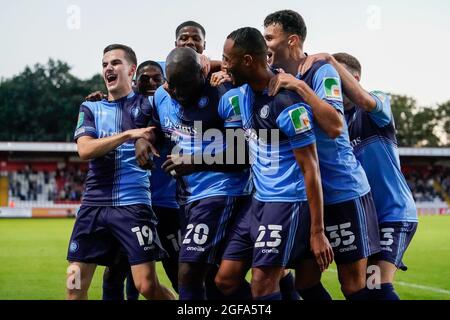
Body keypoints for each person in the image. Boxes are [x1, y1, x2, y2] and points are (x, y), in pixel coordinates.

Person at [262, 10, 381, 300]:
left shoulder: (320, 72)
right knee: (304, 282)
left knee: (352, 284)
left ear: (292, 40)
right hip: (308, 198)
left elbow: (335, 126)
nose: (265, 45)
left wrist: (300, 86)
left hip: (342, 191)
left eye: (269, 38)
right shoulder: (274, 76)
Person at [214, 27, 333, 301]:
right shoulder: (242, 94)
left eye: (227, 59)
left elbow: (310, 168)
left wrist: (317, 232)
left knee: (262, 283)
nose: (224, 65)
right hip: (258, 201)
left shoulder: (287, 102)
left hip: (287, 202)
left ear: (247, 61)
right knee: (226, 279)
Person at [136, 47, 252, 300]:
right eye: (172, 85)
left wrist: (195, 163)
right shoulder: (162, 95)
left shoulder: (225, 95)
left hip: (222, 191)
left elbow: (243, 154)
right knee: (217, 280)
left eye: (185, 85)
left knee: (188, 272)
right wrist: (145, 139)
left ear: (203, 72)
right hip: (187, 198)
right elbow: (154, 124)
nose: (178, 93)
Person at [66, 44, 175, 300]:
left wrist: (143, 138)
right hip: (93, 206)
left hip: (133, 206)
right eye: (104, 64)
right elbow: (85, 149)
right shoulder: (90, 108)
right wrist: (129, 134)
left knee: (147, 287)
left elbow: (154, 131)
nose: (108, 68)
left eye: (115, 63)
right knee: (74, 285)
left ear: (131, 70)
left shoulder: (149, 106)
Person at [307, 52, 418, 299]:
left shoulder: (376, 104)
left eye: (337, 79)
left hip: (391, 212)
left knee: (376, 284)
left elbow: (365, 100)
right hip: (361, 214)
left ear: (354, 78)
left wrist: (330, 63)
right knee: (355, 287)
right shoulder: (334, 120)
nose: (332, 85)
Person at [101, 60, 180, 300]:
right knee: (116, 273)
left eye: (158, 78)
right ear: (135, 82)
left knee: (180, 276)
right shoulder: (126, 111)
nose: (152, 83)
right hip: (133, 205)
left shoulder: (174, 109)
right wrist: (99, 99)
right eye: (145, 79)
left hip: (168, 206)